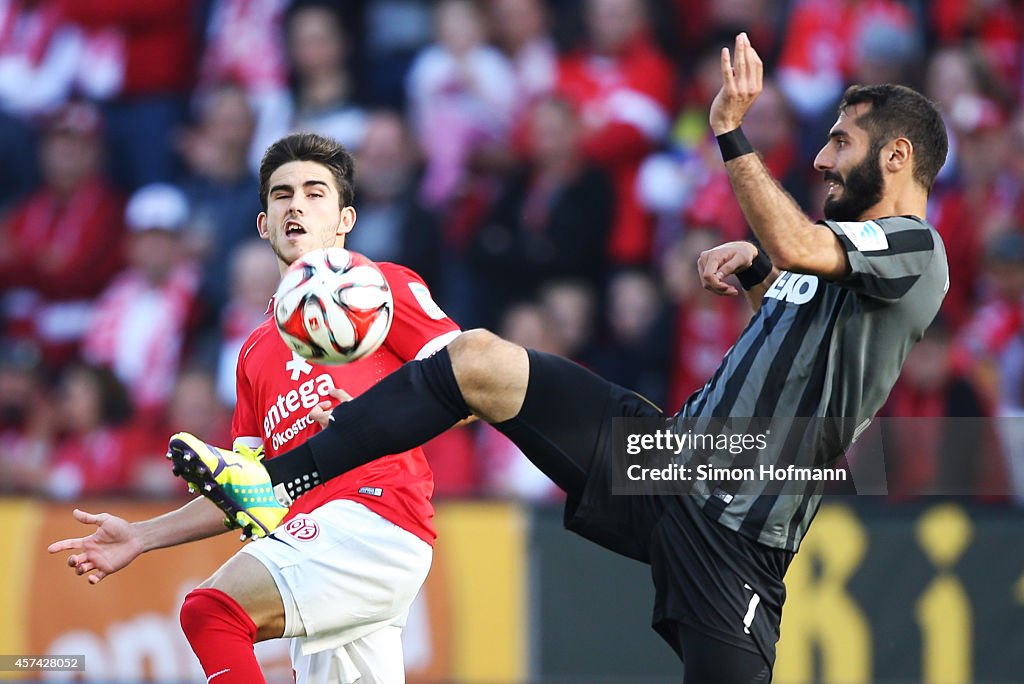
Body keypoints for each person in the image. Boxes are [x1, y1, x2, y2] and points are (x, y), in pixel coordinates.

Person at [169, 35, 950, 683]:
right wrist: (757, 278)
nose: (819, 158)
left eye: (840, 141)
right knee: (477, 359)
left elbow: (798, 243)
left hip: (736, 536)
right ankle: (275, 479)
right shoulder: (839, 262)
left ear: (897, 156)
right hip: (670, 457)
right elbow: (791, 319)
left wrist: (732, 133)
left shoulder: (917, 249)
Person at [48, 132, 462, 683]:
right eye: (282, 194)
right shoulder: (253, 351)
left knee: (211, 611)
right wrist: (142, 536)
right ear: (265, 223)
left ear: (345, 220)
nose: (297, 205)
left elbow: (471, 387)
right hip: (318, 543)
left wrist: (373, 413)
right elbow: (249, 488)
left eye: (316, 193)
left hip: (375, 517)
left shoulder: (377, 288)